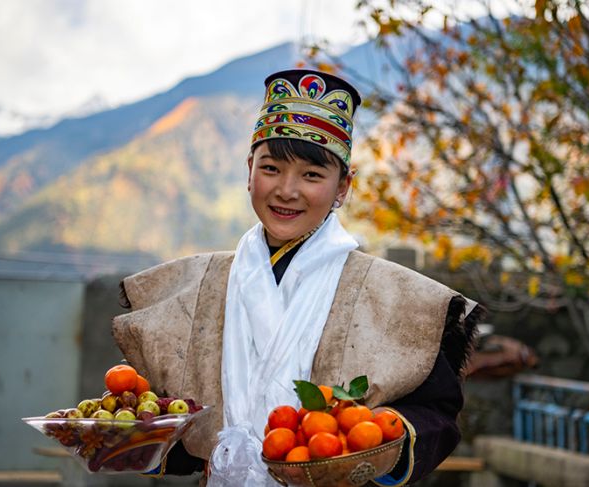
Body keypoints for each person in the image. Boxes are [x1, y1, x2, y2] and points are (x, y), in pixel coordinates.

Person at [112, 69, 482, 486]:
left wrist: (372, 441)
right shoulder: (195, 285)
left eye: (312, 175)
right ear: (249, 169)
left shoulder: (394, 297)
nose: (287, 191)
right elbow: (182, 426)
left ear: (343, 187)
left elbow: (435, 416)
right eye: (271, 168)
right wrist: (128, 444)